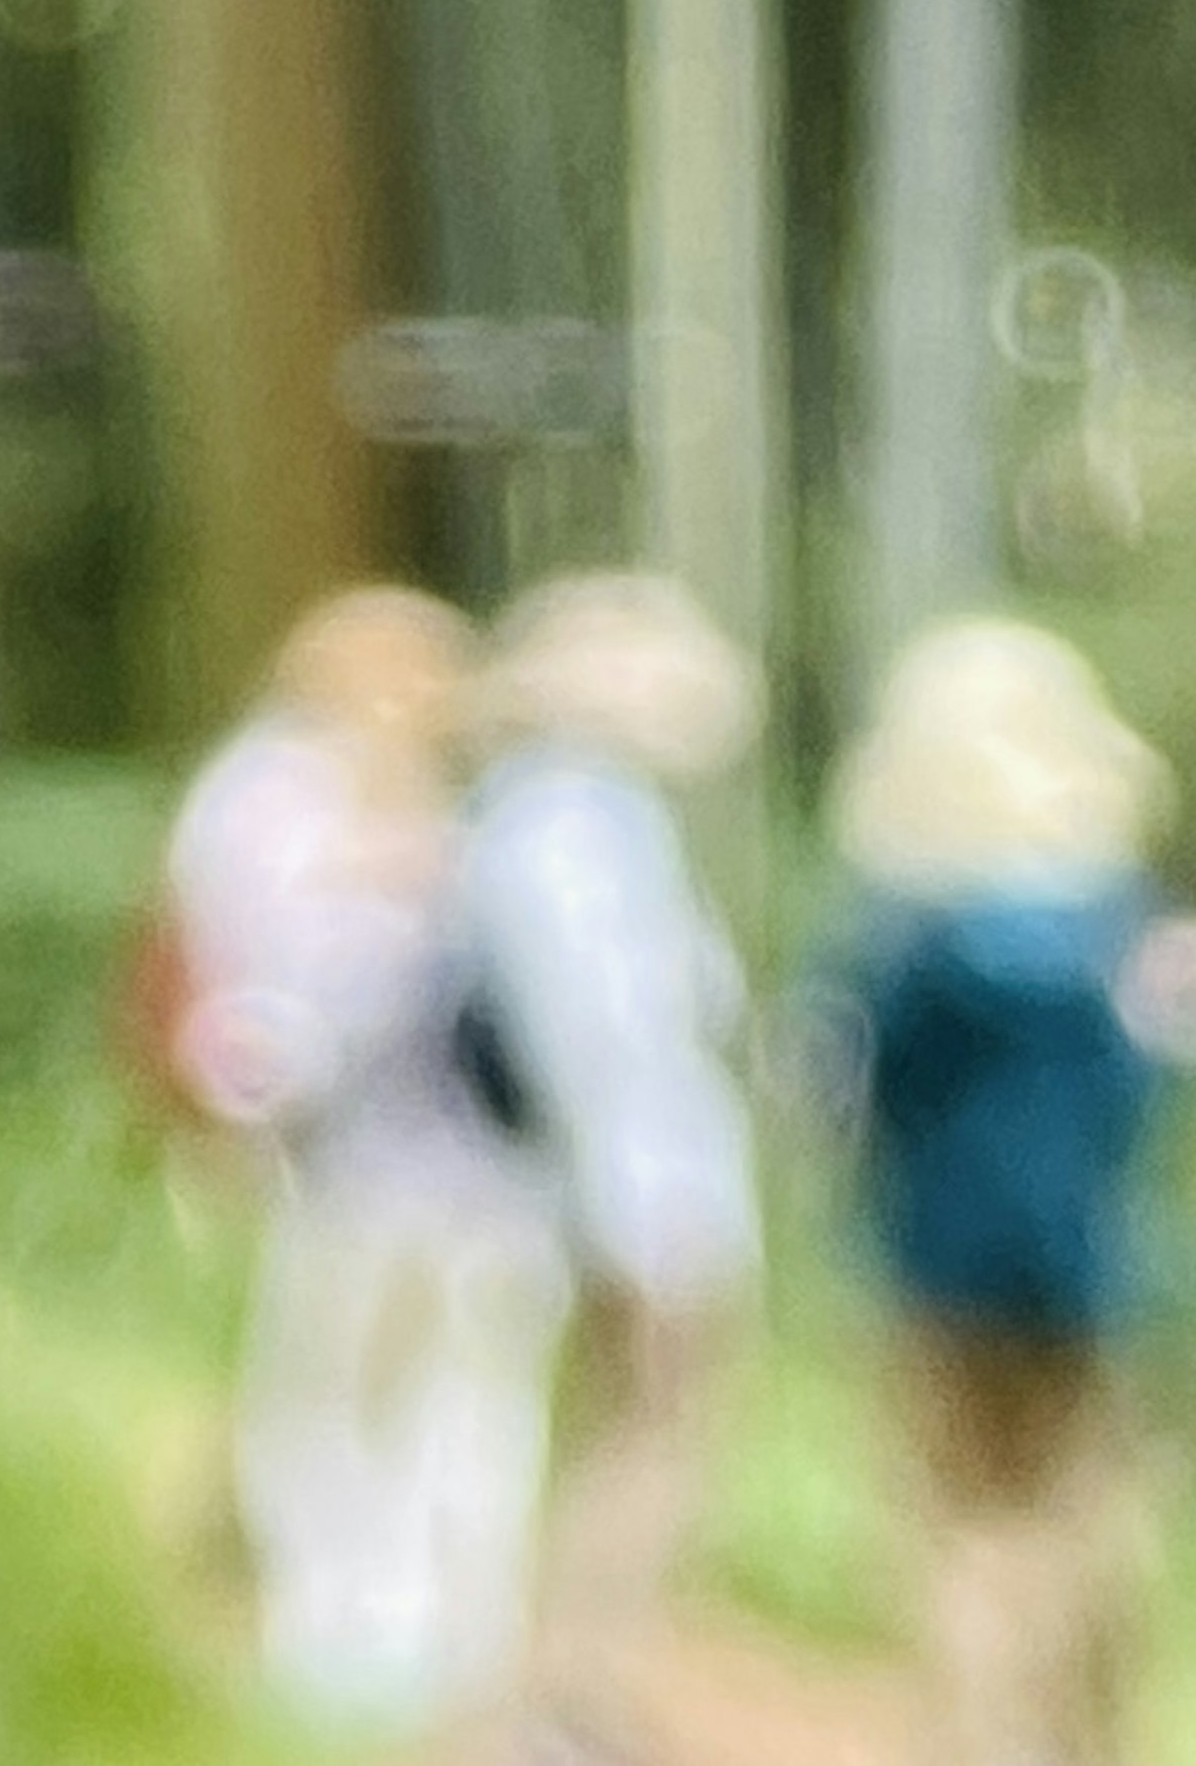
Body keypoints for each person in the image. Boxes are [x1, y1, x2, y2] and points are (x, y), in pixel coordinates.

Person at [157, 586, 571, 1730]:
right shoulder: (263, 796)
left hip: (481, 1178)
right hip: (346, 1167)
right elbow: (261, 1002)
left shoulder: (474, 806)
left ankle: (463, 1652)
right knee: (335, 1395)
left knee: (470, 1403)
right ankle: (333, 1644)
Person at [829, 616, 1196, 1766]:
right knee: (1081, 1521)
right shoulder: (1115, 933)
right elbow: (1137, 1096)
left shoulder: (897, 934)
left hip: (931, 1257)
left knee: (956, 1535)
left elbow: (859, 1098)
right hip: (1081, 1256)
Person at [457, 570, 762, 1757]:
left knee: (622, 1433)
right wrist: (652, 1212)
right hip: (644, 1184)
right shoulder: (571, 824)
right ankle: (570, 1698)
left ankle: (576, 1687)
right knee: (649, 1435)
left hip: (615, 1181)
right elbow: (603, 1038)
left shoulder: (546, 814)